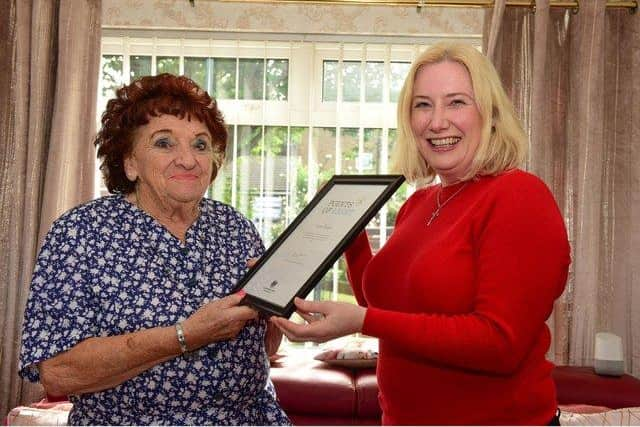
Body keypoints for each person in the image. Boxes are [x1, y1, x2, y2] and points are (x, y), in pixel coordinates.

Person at [271, 42, 570, 425]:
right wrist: (337, 236)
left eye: (457, 102)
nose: (437, 121)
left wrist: (363, 321)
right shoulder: (419, 203)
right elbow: (383, 305)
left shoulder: (519, 196)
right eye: (423, 104)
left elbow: (500, 344)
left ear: (490, 114)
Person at [19, 73, 290, 425]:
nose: (188, 160)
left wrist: (275, 311)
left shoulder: (235, 227)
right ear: (130, 163)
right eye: (164, 143)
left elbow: (264, 348)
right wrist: (186, 335)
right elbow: (58, 371)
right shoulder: (80, 233)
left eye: (200, 144)